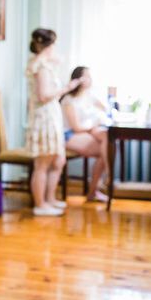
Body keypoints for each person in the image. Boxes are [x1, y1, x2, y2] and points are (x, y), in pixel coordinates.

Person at [25, 28, 80, 216]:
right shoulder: (40, 66)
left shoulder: (45, 65)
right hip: (44, 118)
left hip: (51, 116)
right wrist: (66, 89)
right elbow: (43, 95)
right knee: (42, 162)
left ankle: (50, 199)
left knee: (58, 160)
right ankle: (40, 204)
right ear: (49, 46)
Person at [61, 66, 109, 202]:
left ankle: (95, 189)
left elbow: (105, 109)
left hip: (85, 131)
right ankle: (97, 187)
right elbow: (76, 127)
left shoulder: (89, 96)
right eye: (86, 76)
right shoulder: (69, 99)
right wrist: (92, 128)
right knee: (104, 149)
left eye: (90, 76)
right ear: (77, 79)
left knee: (107, 142)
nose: (90, 79)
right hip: (68, 135)